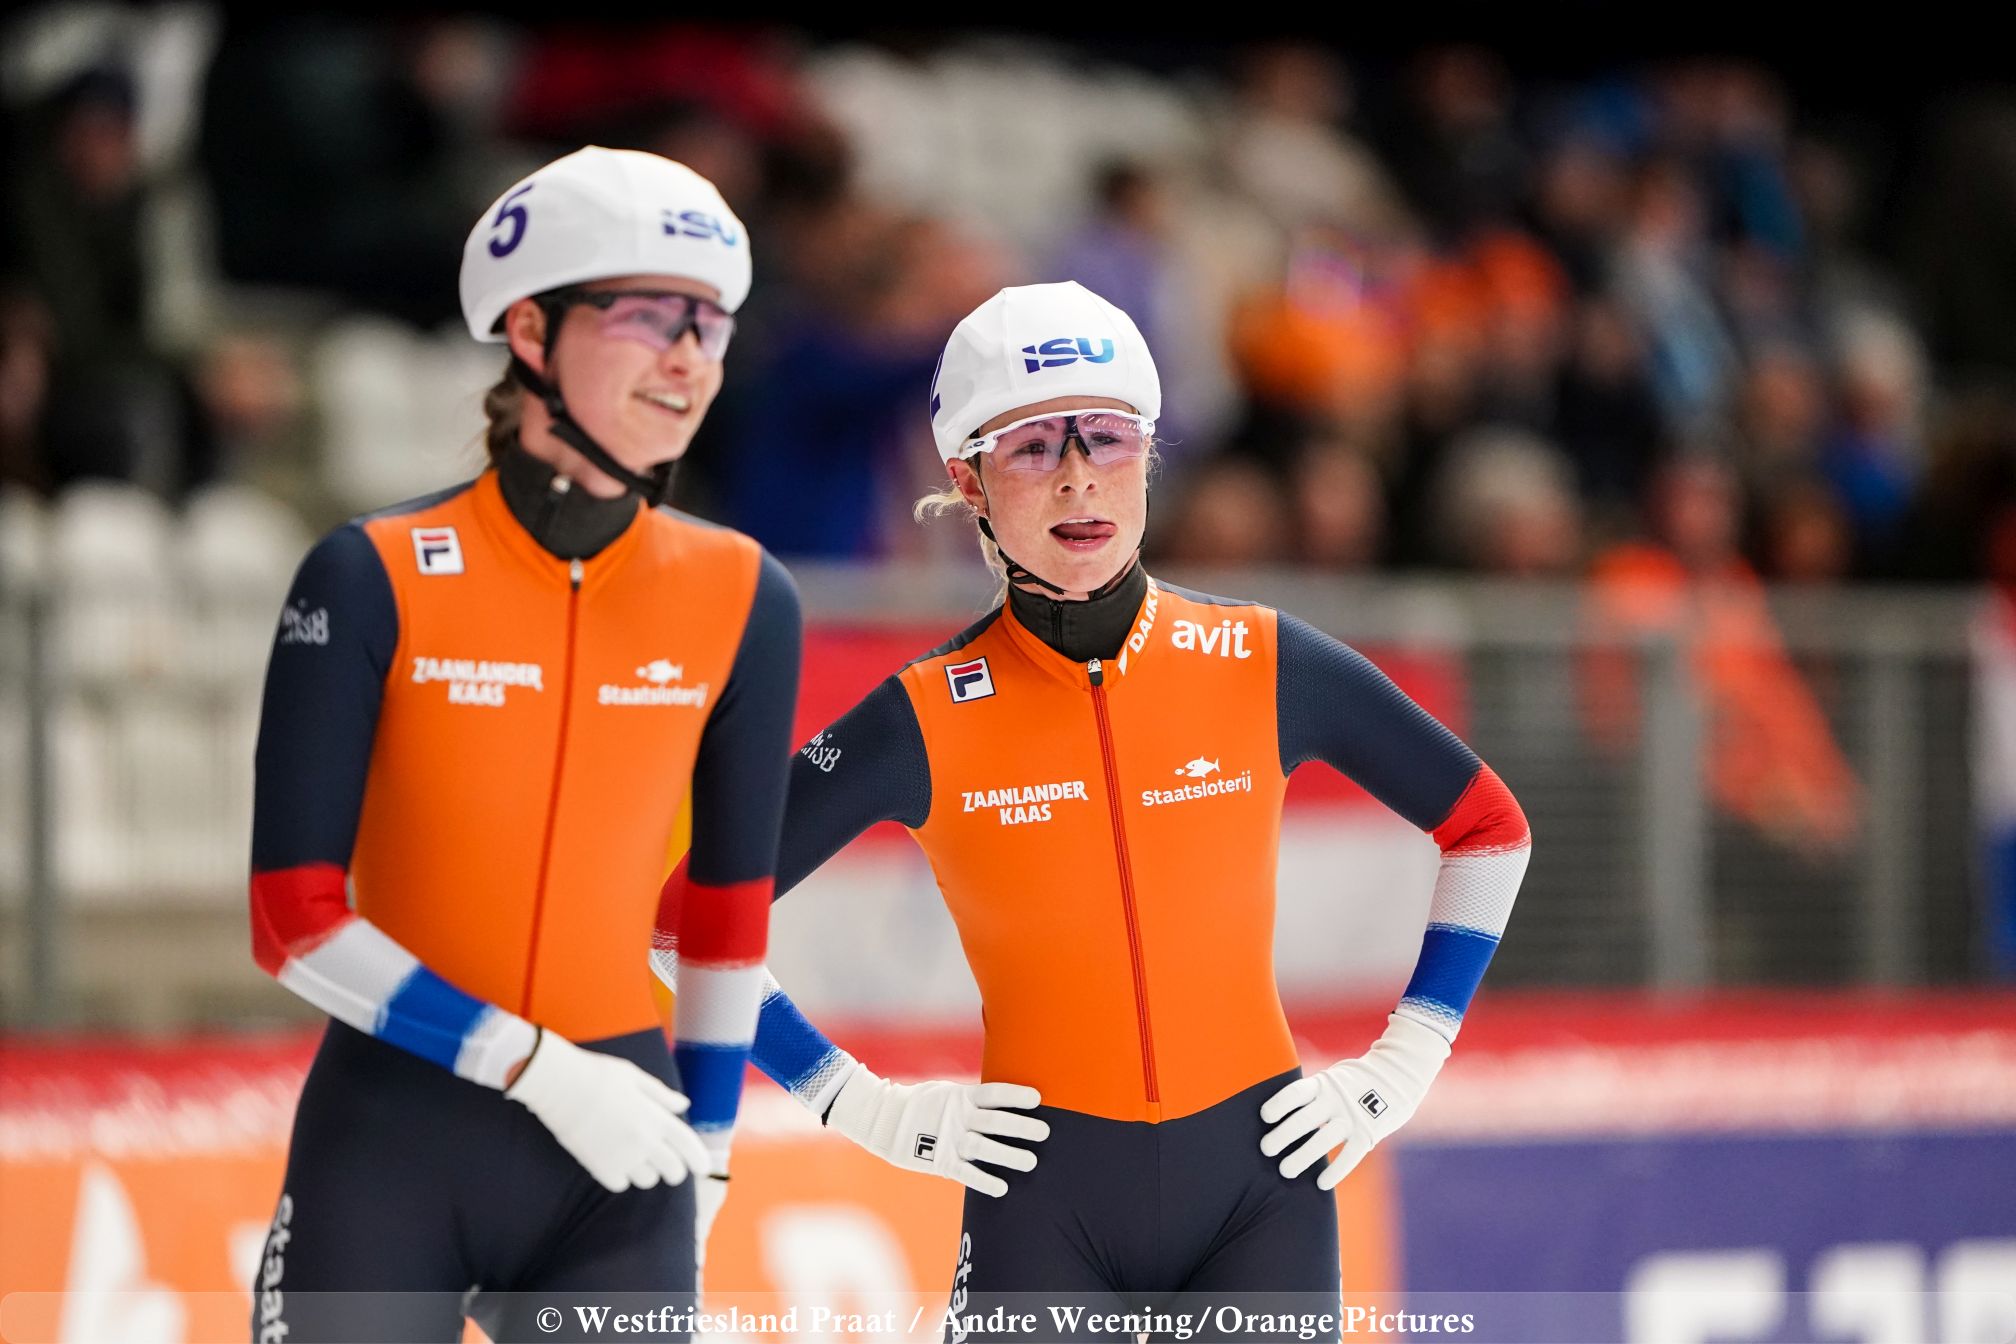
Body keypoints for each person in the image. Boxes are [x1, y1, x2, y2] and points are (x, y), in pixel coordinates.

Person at [673, 282, 1531, 1330]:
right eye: (1033, 448)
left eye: (1109, 439)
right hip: (1045, 1200)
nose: (1079, 479)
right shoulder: (920, 717)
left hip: (1261, 1190)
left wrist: (1407, 1059)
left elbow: (1488, 828)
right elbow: (684, 919)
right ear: (969, 481)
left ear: (1150, 454)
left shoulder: (1261, 660)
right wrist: (855, 1102)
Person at [246, 146, 799, 1343]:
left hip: (624, 1164)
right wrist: (536, 1068)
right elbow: (292, 920)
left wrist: (707, 1146)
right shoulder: (372, 573)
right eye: (653, 317)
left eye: (712, 326)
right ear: (534, 333)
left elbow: (720, 921)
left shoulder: (744, 596)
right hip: (394, 1144)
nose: (691, 359)